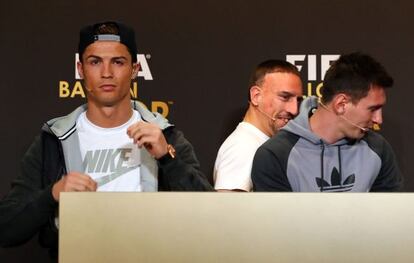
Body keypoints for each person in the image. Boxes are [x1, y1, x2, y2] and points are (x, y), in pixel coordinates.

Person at [0, 21, 212, 260]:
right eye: (95, 62)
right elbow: (7, 228)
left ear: (134, 69)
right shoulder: (53, 140)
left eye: (118, 62)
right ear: (80, 69)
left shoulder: (165, 135)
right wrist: (53, 193)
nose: (107, 73)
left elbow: (209, 219)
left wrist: (167, 158)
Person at [252, 52, 403, 192]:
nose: (378, 119)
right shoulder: (275, 155)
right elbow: (278, 220)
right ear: (341, 104)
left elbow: (387, 216)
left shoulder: (378, 148)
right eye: (373, 109)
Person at [213, 60, 303, 191]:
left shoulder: (258, 143)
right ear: (256, 96)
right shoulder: (242, 147)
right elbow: (228, 209)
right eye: (285, 97)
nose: (294, 110)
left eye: (298, 100)